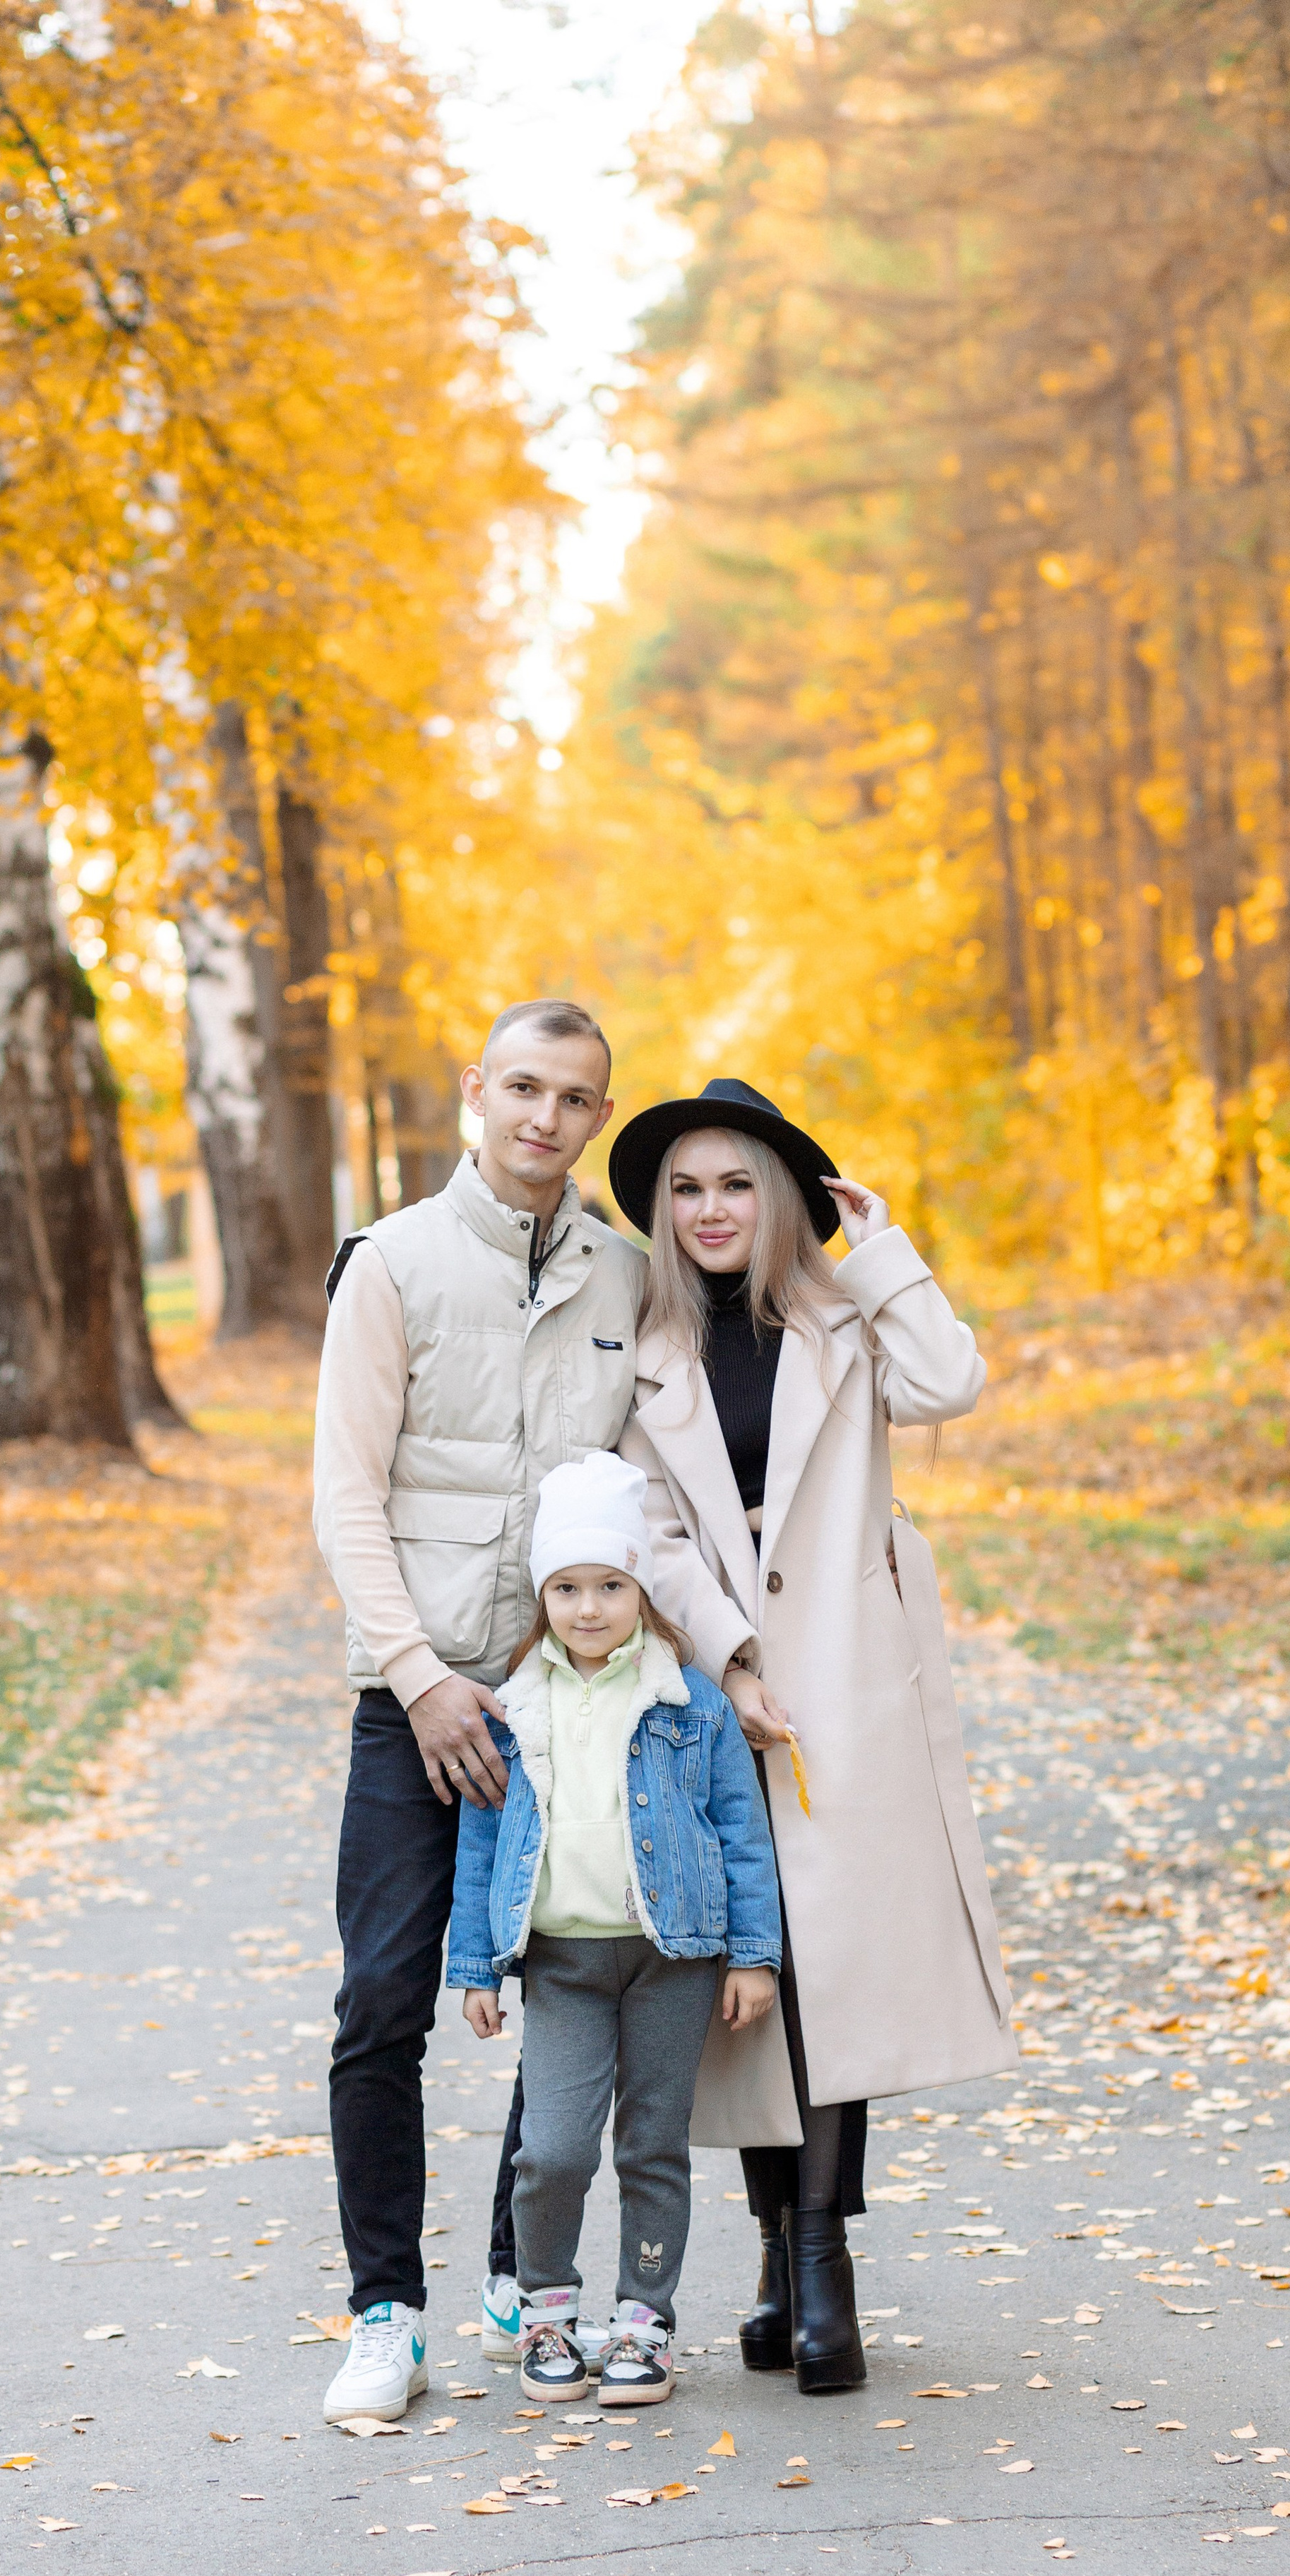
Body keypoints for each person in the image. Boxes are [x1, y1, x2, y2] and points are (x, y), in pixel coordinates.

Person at [609, 1077, 1018, 2395]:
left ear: (779, 1196)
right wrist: (725, 1653)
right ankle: (777, 2257)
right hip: (715, 1696)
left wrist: (882, 1246)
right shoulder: (649, 1342)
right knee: (747, 1972)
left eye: (736, 1182)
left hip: (849, 1688)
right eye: (687, 1187)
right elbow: (651, 1530)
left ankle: (825, 2262)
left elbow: (955, 1381)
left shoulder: (848, 1321)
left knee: (828, 1973)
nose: (712, 1208)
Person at [311, 1001, 645, 2424]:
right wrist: (425, 1675)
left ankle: (524, 2272)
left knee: (563, 1977)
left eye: (575, 1098)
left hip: (563, 1703)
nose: (545, 1118)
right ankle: (385, 2312)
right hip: (413, 1699)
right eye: (523, 1086)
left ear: (593, 1118)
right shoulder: (390, 1265)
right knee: (384, 2000)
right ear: (476, 1090)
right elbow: (344, 1490)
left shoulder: (624, 1280)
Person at [447, 1451, 781, 2407]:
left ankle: (645, 2322)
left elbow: (741, 1831)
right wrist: (476, 1966)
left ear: (640, 1587)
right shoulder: (515, 1707)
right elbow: (482, 1841)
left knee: (651, 2142)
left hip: (674, 1958)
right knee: (551, 2146)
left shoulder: (689, 1699)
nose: (588, 1607)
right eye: (567, 1586)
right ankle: (546, 2308)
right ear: (542, 1592)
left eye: (609, 1584)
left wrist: (753, 1955)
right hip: (562, 1964)